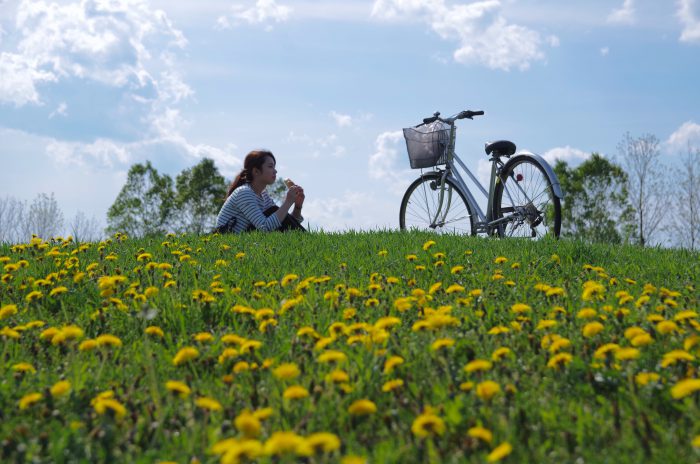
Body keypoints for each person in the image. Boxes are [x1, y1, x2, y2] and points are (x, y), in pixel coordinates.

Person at [216, 150, 305, 233]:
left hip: (249, 239)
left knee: (275, 212)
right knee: (274, 211)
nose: (275, 171)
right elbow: (265, 227)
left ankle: (310, 244)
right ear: (256, 171)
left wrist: (297, 207)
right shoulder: (244, 192)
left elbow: (284, 223)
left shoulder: (264, 196)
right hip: (230, 243)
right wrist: (288, 202)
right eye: (270, 166)